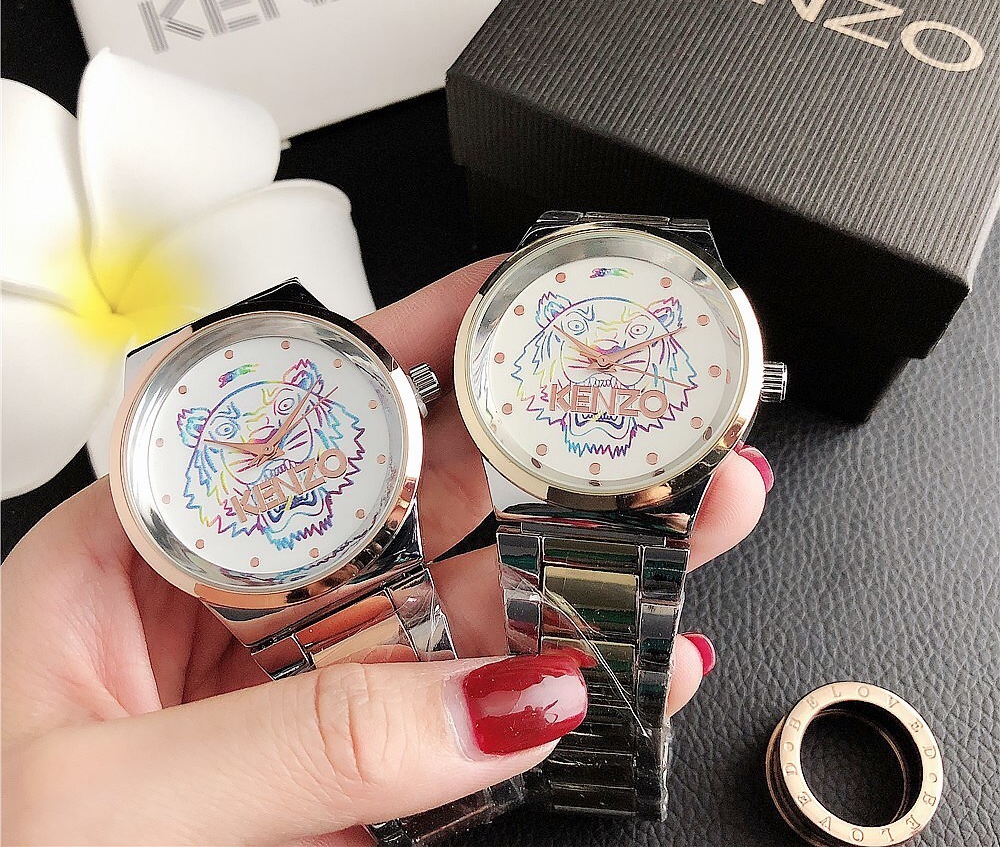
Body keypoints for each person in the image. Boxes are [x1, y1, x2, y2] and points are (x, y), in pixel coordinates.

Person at [1, 258, 771, 846]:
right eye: (243, 442)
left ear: (407, 398)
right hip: (274, 588)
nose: (266, 449)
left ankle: (570, 772)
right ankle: (476, 800)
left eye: (283, 430)